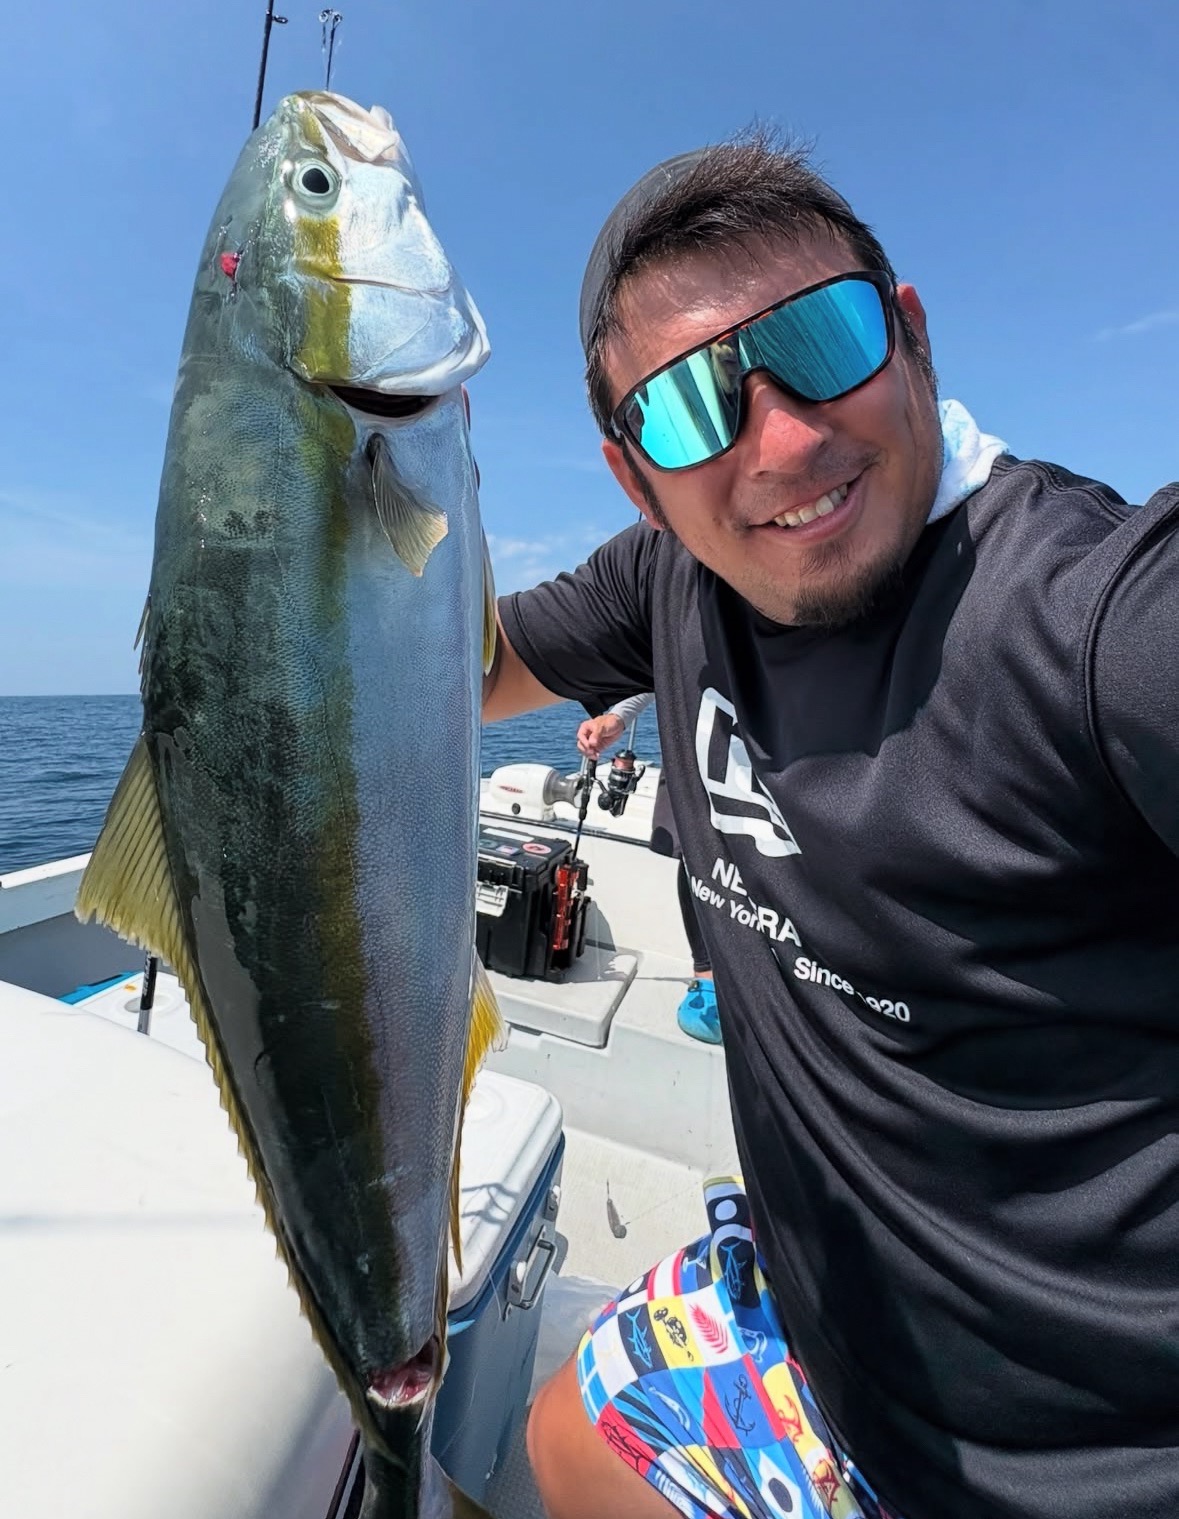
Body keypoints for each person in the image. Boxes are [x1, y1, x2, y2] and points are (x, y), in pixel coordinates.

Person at [482, 134, 1179, 1519]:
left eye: (822, 340)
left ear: (908, 334)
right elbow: (461, 666)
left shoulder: (1083, 615)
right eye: (689, 407)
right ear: (635, 479)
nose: (784, 440)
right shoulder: (670, 578)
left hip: (1071, 1468)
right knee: (563, 1435)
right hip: (815, 1330)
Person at [576, 693, 720, 1043]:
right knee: (694, 856)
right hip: (696, 744)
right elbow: (657, 669)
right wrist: (618, 717)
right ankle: (707, 977)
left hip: (779, 749)